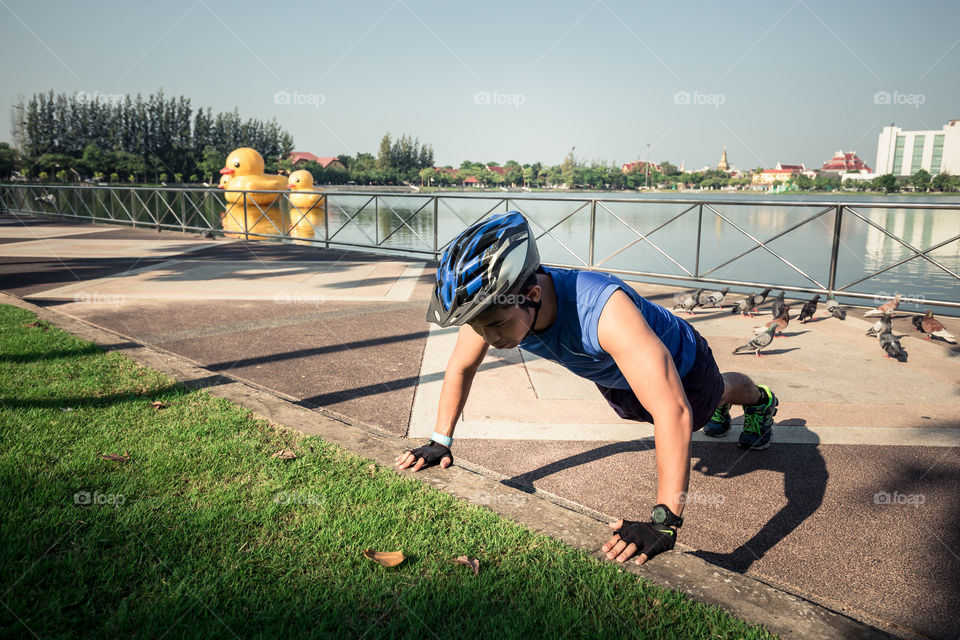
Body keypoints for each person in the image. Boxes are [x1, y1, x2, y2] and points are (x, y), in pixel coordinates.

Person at [394, 212, 778, 566]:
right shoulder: (498, 308)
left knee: (713, 396)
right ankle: (719, 407)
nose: (489, 338)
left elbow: (672, 411)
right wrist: (440, 440)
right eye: (480, 327)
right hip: (615, 376)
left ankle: (760, 400)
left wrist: (664, 519)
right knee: (653, 411)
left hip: (686, 367)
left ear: (532, 295)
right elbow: (462, 367)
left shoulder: (604, 311)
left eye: (496, 325)